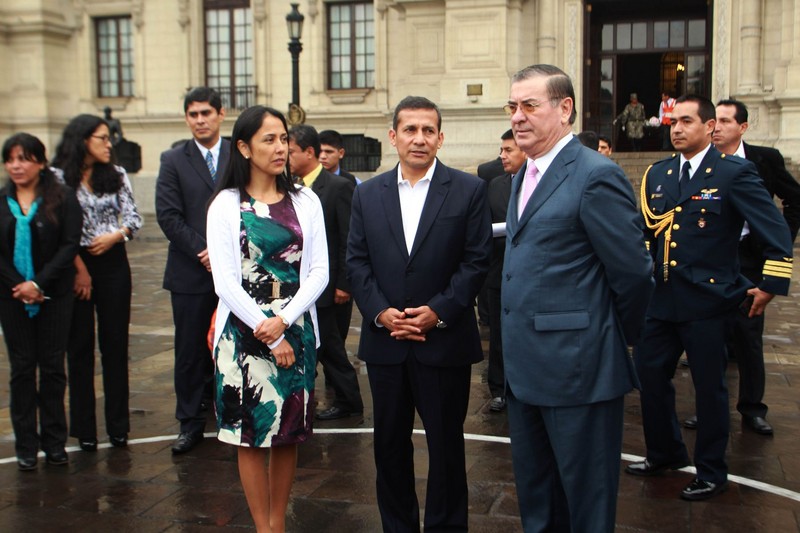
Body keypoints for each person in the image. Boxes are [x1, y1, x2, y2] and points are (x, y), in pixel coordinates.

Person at [502, 65, 653, 532]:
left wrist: (605, 338)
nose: (518, 117)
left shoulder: (595, 175)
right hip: (525, 371)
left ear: (564, 109)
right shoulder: (523, 174)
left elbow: (632, 275)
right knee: (538, 499)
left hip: (578, 371)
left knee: (586, 503)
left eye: (530, 105)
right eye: (512, 107)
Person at [627, 95, 793, 501]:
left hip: (709, 300)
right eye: (672, 122)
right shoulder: (660, 173)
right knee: (649, 376)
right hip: (662, 299)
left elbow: (775, 232)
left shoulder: (734, 173)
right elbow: (647, 233)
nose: (677, 128)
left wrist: (769, 284)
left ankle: (711, 469)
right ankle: (664, 453)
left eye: (686, 121)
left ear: (708, 128)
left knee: (709, 388)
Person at [347, 95, 491, 531]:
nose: (419, 138)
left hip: (443, 343)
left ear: (441, 137)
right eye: (410, 129)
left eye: (428, 130)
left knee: (447, 448)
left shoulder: (469, 190)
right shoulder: (367, 194)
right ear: (393, 137)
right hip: (386, 343)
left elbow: (477, 260)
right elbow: (356, 261)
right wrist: (380, 312)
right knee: (388, 446)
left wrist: (438, 311)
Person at [207, 105, 328, 533]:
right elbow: (226, 282)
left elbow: (319, 271)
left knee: (289, 430)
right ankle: (265, 526)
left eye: (284, 140)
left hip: (294, 325)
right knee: (251, 431)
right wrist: (269, 332)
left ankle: (279, 519)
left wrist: (286, 322)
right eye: (269, 140)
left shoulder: (305, 199)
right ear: (243, 147)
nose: (281, 149)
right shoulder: (225, 204)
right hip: (243, 331)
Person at [682, 99, 800, 435]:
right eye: (713, 120)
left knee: (748, 336)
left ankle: (752, 408)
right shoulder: (695, 163)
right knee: (707, 337)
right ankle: (707, 407)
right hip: (709, 261)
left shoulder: (764, 160)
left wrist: (778, 240)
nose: (716, 127)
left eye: (724, 121)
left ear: (742, 127)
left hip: (747, 261)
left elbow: (795, 199)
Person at [53, 114, 143, 451]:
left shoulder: (117, 174)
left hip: (113, 262)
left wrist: (115, 236)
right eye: (102, 138)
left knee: (115, 345)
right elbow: (58, 226)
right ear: (82, 140)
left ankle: (118, 426)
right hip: (74, 264)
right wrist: (79, 268)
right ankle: (85, 429)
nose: (109, 144)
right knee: (78, 348)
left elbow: (133, 218)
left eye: (109, 138)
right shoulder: (58, 177)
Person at [0, 133, 82, 470]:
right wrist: (20, 285)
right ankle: (25, 444)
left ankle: (54, 441)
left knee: (51, 368)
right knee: (21, 368)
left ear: (40, 162)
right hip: (12, 295)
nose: (17, 166)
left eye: (24, 158)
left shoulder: (62, 198)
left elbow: (69, 244)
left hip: (55, 293)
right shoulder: (1, 199)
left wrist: (39, 282)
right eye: (11, 159)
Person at [156, 87, 229, 454]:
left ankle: (231, 414)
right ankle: (189, 423)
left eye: (206, 113)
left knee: (230, 346)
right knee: (188, 351)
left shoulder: (239, 153)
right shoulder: (173, 159)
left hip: (235, 270)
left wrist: (226, 254)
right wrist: (204, 250)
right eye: (193, 114)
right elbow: (168, 215)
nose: (200, 120)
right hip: (190, 272)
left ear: (221, 114)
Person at [288, 125, 362, 421]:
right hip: (302, 285)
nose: (286, 156)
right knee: (319, 346)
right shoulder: (293, 187)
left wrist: (344, 284)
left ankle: (349, 401)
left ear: (309, 152)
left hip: (329, 287)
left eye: (291, 151)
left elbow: (348, 238)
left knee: (330, 346)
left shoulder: (337, 187)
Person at [485, 129, 525, 413]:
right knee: (498, 335)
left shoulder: (541, 181)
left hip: (531, 275)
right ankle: (499, 389)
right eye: (501, 150)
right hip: (499, 270)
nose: (502, 156)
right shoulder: (494, 185)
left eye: (508, 150)